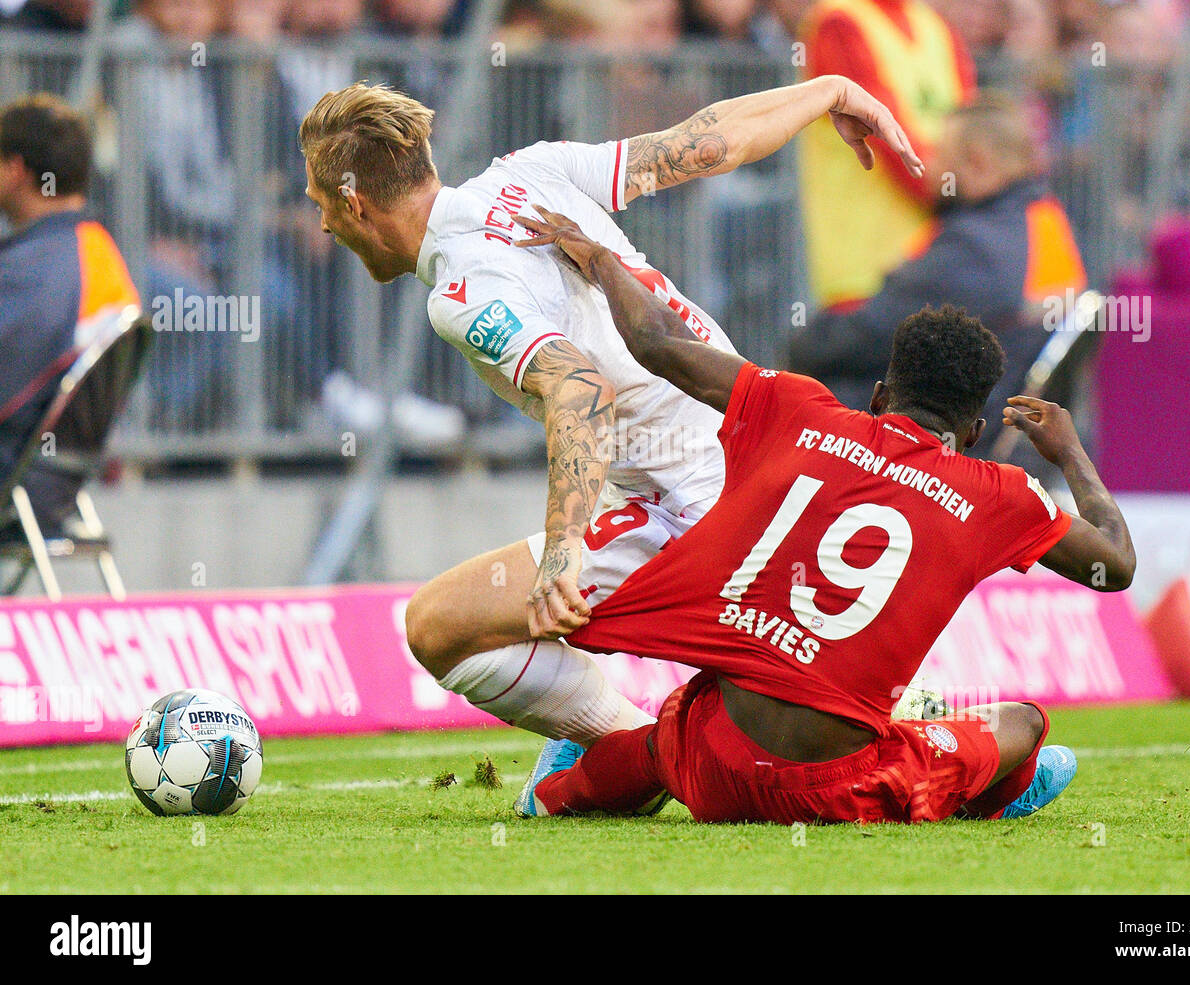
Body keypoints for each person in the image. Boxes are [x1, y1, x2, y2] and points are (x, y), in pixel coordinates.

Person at [297, 77, 922, 761]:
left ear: (355, 204)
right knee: (815, 722)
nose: (323, 223)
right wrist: (828, 91)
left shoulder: (460, 290)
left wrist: (562, 552)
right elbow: (704, 144)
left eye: (323, 203)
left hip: (696, 501)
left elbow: (579, 388)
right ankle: (659, 748)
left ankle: (641, 753)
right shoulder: (529, 170)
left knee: (438, 625)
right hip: (760, 454)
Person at [507, 206, 1136, 826]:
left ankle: (560, 792)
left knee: (666, 738)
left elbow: (657, 342)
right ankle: (979, 793)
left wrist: (600, 259)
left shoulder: (798, 408)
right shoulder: (1001, 494)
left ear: (881, 398)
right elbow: (1118, 565)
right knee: (1024, 725)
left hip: (711, 766)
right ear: (972, 432)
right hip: (836, 794)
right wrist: (1071, 452)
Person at [788, 94, 1086, 422]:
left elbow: (861, 339)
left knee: (799, 395)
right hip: (1000, 422)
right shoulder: (1046, 221)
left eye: (940, 155)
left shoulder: (972, 248)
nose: (930, 169)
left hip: (949, 430)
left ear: (977, 163)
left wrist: (803, 344)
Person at [0, 94, 139, 528]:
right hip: (63, 485)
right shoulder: (98, 251)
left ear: (15, 170)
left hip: (16, 484)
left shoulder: (36, 267)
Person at [798, 0, 975, 310]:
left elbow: (971, 123)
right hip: (864, 268)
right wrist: (970, 196)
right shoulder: (838, 22)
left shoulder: (934, 25)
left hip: (934, 259)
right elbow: (888, 137)